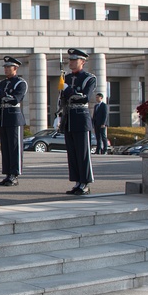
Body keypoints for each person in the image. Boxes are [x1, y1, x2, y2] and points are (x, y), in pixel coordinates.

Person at [59, 48, 97, 195]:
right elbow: (63, 99)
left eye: (74, 60)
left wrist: (68, 89)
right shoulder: (66, 78)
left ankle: (85, 182)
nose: (71, 62)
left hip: (81, 117)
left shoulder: (89, 78)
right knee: (73, 153)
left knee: (83, 152)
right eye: (70, 60)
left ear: (82, 61)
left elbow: (84, 97)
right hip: (69, 117)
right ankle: (77, 182)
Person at [0, 56, 28, 186]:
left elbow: (14, 99)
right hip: (4, 117)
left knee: (14, 148)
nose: (6, 69)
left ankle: (15, 174)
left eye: (9, 67)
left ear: (16, 68)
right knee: (6, 148)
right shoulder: (2, 83)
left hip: (14, 118)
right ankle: (8, 174)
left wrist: (0, 93)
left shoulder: (20, 83)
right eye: (5, 67)